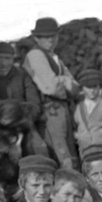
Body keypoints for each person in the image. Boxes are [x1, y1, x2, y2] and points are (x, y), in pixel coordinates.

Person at [24, 17, 80, 169]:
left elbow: (75, 87)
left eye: (53, 35)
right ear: (36, 38)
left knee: (70, 151)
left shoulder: (54, 57)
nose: (50, 39)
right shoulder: (35, 55)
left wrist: (65, 83)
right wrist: (66, 82)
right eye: (45, 36)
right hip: (49, 110)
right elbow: (51, 87)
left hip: (61, 109)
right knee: (61, 153)